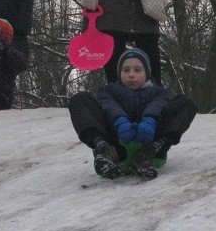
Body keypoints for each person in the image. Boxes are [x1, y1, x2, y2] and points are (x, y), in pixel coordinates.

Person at [68, 48, 197, 180]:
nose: (131, 74)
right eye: (126, 70)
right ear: (119, 73)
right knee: (80, 99)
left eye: (137, 70)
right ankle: (104, 150)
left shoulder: (159, 93)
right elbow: (109, 105)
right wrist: (120, 120)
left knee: (186, 103)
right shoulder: (108, 91)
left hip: (151, 145)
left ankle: (149, 153)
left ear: (147, 73)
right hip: (117, 146)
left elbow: (158, 105)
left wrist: (150, 119)